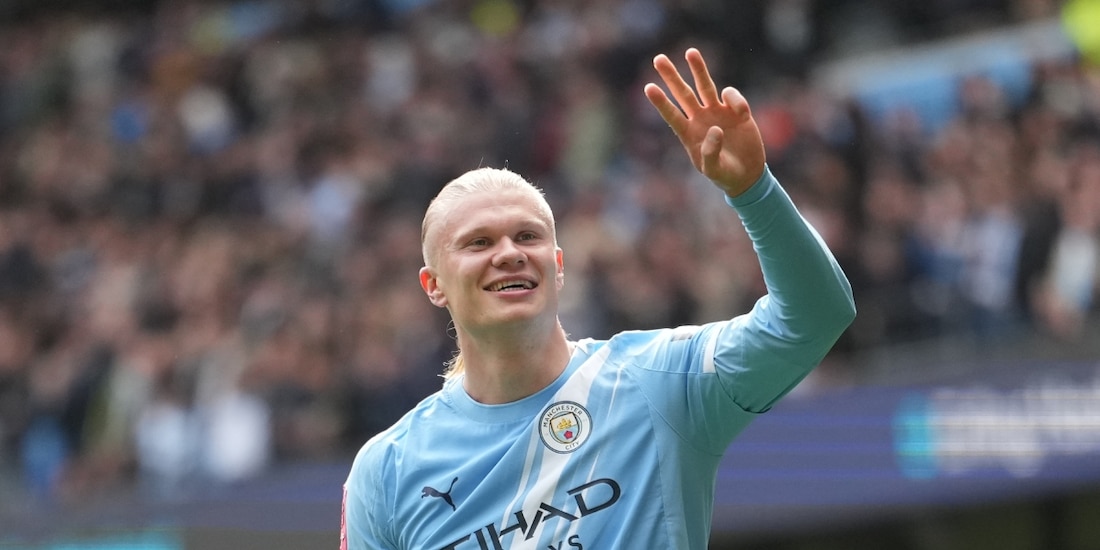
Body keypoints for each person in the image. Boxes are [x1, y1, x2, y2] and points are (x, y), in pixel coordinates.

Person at [341, 47, 856, 549]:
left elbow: (812, 318)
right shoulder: (386, 471)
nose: (509, 254)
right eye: (479, 242)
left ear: (558, 267)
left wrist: (753, 191)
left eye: (527, 237)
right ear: (433, 286)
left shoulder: (656, 384)